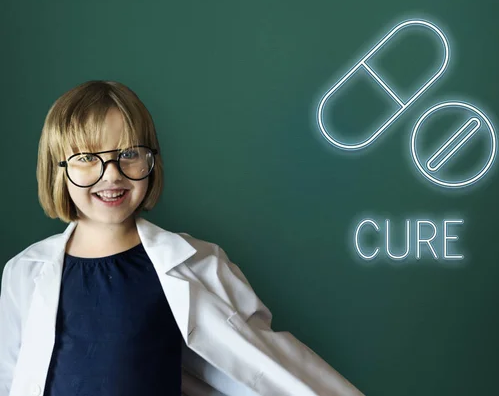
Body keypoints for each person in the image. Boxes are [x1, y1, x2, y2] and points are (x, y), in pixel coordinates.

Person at [0, 81, 365, 396]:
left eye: (128, 154)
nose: (111, 175)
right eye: (86, 158)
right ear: (58, 169)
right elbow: (11, 377)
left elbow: (264, 361)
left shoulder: (198, 264)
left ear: (151, 161)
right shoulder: (24, 273)